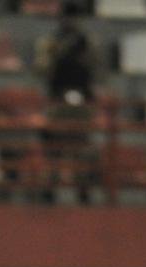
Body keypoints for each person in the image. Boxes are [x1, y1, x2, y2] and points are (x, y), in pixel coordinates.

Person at [33, 2, 99, 204]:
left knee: (82, 147)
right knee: (53, 146)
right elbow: (41, 69)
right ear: (60, 19)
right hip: (57, 99)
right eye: (67, 17)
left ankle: (83, 188)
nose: (71, 21)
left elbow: (96, 69)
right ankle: (49, 188)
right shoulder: (50, 41)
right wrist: (56, 53)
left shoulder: (88, 41)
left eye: (75, 17)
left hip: (82, 101)